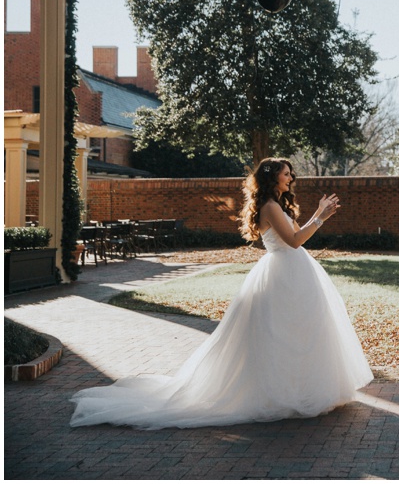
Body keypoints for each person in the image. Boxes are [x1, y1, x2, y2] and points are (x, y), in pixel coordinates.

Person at [69, 157, 373, 430]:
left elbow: (297, 241)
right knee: (281, 334)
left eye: (290, 173)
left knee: (299, 333)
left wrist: (318, 216)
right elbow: (294, 241)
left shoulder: (277, 204)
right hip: (284, 274)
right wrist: (320, 215)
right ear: (271, 178)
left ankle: (300, 388)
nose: (290, 177)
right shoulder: (268, 206)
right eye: (285, 173)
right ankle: (281, 393)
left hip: (296, 273)